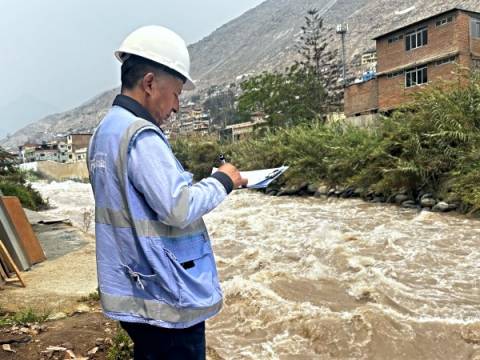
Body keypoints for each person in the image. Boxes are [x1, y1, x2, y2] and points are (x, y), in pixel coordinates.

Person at [87, 25, 247, 359]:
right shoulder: (141, 135)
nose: (176, 106)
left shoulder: (104, 131)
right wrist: (224, 180)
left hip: (136, 292)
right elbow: (178, 208)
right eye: (175, 93)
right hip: (166, 300)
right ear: (149, 84)